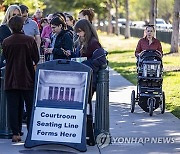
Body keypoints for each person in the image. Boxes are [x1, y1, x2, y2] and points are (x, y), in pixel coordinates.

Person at [2, 15, 39, 142]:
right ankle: (30, 131)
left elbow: (5, 57)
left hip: (11, 77)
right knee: (29, 106)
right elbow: (36, 58)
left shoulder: (6, 41)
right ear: (22, 26)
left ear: (10, 27)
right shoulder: (29, 40)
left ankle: (16, 133)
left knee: (13, 106)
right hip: (27, 77)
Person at [73, 19, 107, 94]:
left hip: (89, 79)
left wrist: (83, 63)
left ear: (86, 30)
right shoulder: (81, 41)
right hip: (81, 77)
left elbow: (100, 61)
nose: (78, 34)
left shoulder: (93, 43)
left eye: (79, 31)